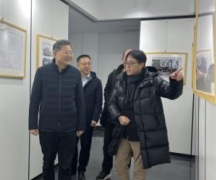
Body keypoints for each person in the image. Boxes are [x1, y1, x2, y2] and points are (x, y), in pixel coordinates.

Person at [108, 50, 183, 180]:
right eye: (126, 63)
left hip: (141, 134)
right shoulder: (121, 80)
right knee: (119, 165)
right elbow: (111, 102)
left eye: (131, 63)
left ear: (141, 64)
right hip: (123, 133)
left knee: (139, 170)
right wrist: (119, 116)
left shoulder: (153, 80)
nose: (127, 66)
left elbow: (171, 94)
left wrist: (175, 82)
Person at [29, 40, 85, 180]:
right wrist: (32, 124)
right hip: (47, 127)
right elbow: (35, 100)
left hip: (69, 128)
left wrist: (80, 125)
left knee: (66, 165)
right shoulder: (42, 72)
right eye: (66, 52)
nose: (69, 55)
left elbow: (80, 101)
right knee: (48, 163)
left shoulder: (75, 73)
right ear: (55, 53)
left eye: (71, 52)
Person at [96, 48, 133, 180]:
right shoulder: (113, 74)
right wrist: (111, 105)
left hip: (127, 119)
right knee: (107, 145)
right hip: (111, 117)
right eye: (126, 57)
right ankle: (106, 170)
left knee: (126, 147)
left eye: (131, 57)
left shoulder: (136, 75)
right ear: (122, 58)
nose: (128, 60)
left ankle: (124, 173)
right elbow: (107, 91)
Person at [71, 55, 103, 180]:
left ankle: (81, 170)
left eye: (89, 63)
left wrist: (95, 118)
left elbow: (98, 102)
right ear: (78, 65)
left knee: (85, 147)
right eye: (84, 64)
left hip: (88, 120)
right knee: (72, 147)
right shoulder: (72, 79)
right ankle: (72, 170)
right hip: (72, 119)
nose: (87, 66)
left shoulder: (96, 82)